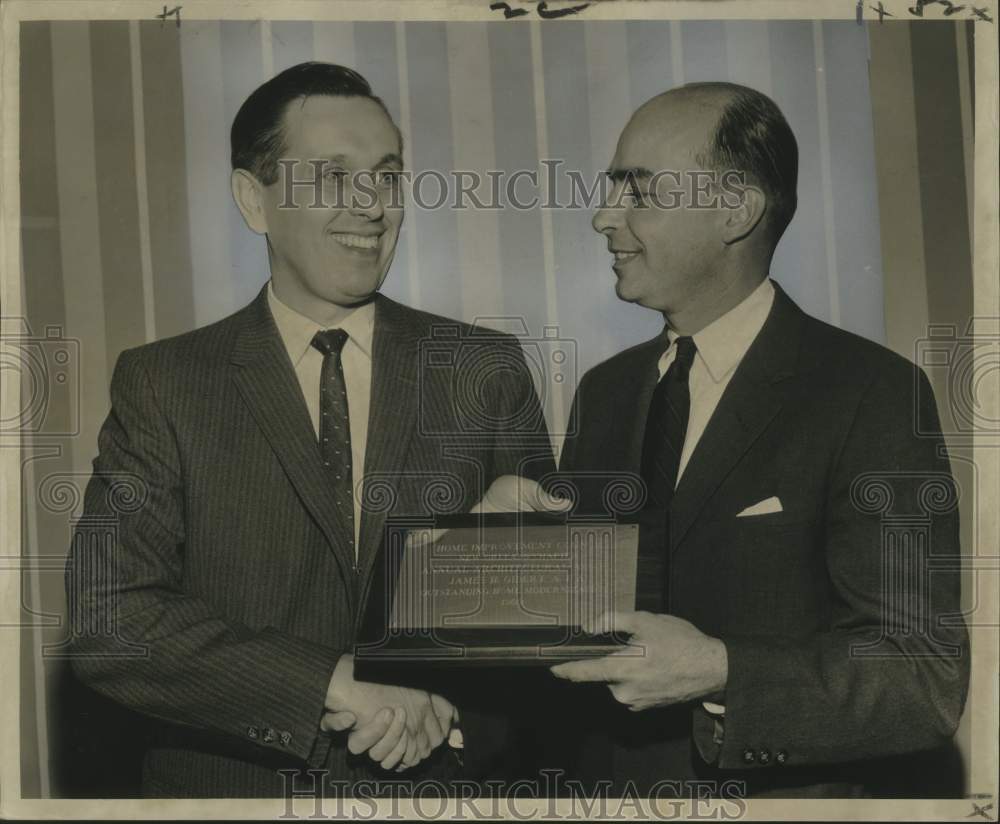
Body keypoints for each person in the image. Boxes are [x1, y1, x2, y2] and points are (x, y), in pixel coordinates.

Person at [64, 62, 557, 798]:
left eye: (387, 178)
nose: (371, 206)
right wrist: (334, 683)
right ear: (252, 199)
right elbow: (110, 619)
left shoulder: (482, 366)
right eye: (332, 177)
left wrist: (447, 703)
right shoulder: (165, 383)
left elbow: (549, 615)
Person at [546, 82, 970, 798]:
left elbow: (920, 678)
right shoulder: (605, 392)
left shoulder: (870, 394)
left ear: (735, 210)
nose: (602, 216)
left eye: (637, 191)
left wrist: (722, 670)